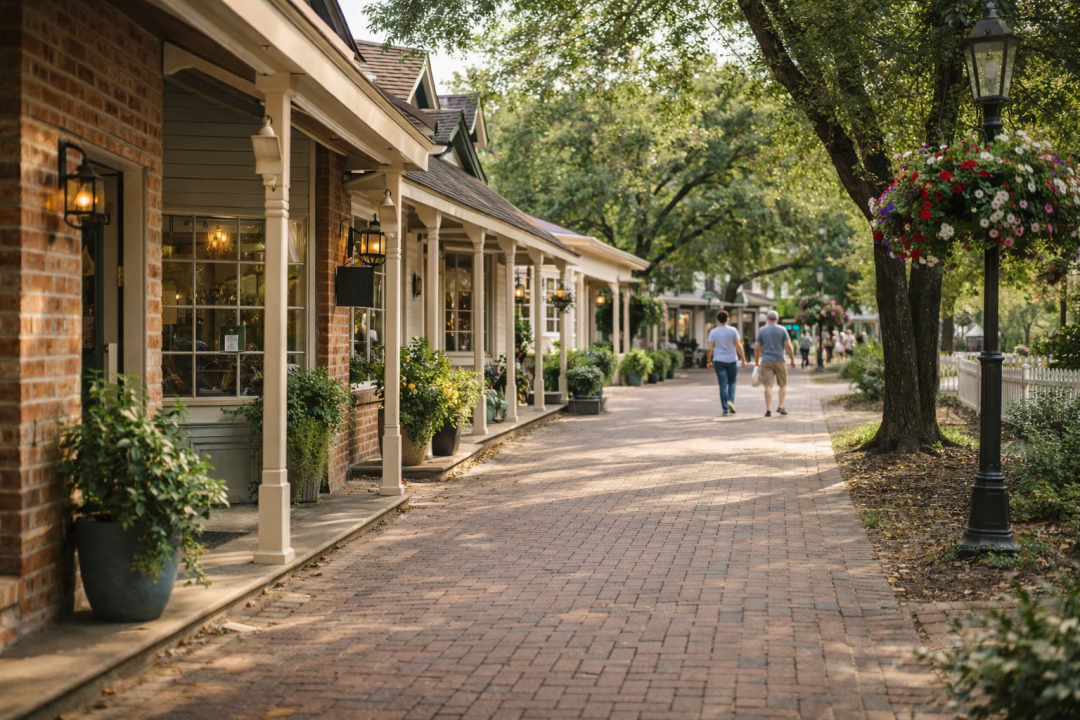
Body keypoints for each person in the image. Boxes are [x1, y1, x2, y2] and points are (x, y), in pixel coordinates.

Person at [755, 310, 796, 417]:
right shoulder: (782, 330)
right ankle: (781, 406)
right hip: (780, 360)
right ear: (777, 319)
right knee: (783, 384)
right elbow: (788, 345)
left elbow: (757, 347)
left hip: (766, 361)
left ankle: (768, 409)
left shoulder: (762, 330)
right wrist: (792, 359)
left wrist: (756, 361)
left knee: (768, 385)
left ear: (767, 319)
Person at [706, 309, 746, 416]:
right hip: (732, 360)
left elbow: (709, 349)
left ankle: (725, 408)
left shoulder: (713, 332)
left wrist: (708, 361)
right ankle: (730, 401)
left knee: (722, 385)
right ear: (727, 319)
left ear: (718, 319)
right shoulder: (733, 330)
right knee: (732, 382)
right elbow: (738, 346)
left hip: (718, 360)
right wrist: (743, 358)